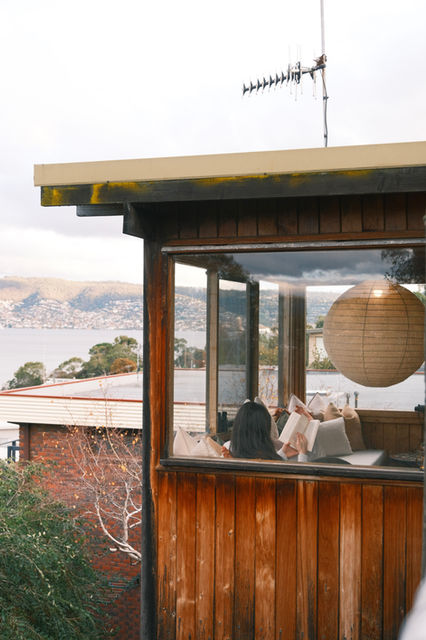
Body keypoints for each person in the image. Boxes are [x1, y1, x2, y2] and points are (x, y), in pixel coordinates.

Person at [221, 401, 308, 462]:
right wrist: (302, 454)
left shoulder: (228, 448)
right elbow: (299, 481)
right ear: (264, 430)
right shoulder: (263, 455)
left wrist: (282, 453)